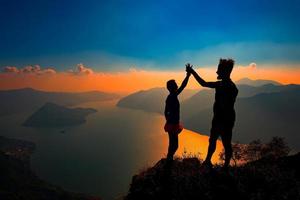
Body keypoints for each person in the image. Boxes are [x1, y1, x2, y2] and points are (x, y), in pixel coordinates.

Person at [186, 59, 238, 169]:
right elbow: (203, 83)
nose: (216, 72)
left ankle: (223, 165)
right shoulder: (227, 86)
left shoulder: (227, 87)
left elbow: (203, 84)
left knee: (224, 142)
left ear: (225, 72)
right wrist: (192, 72)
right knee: (217, 141)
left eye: (219, 70)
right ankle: (211, 161)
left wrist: (192, 72)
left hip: (224, 119)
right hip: (222, 118)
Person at [164, 69, 191, 162]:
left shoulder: (171, 96)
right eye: (175, 84)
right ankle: (169, 159)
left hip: (172, 123)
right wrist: (188, 76)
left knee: (173, 144)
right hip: (172, 124)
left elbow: (165, 111)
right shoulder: (172, 96)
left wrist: (168, 119)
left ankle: (169, 158)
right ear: (172, 87)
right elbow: (183, 86)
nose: (177, 85)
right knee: (174, 144)